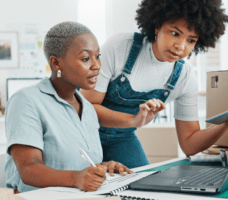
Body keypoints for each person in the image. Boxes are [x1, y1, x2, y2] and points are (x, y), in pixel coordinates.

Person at [81, 0, 228, 169]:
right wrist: (133, 120)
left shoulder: (185, 77)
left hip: (122, 139)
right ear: (157, 26)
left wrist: (225, 124)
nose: (180, 46)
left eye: (191, 40)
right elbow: (85, 109)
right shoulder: (120, 47)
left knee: (144, 188)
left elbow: (189, 144)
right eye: (175, 33)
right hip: (82, 134)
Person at [4, 21, 133, 193]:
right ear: (56, 63)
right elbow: (28, 170)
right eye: (86, 58)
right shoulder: (26, 100)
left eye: (98, 56)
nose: (97, 66)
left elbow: (74, 164)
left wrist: (101, 167)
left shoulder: (87, 108)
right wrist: (77, 178)